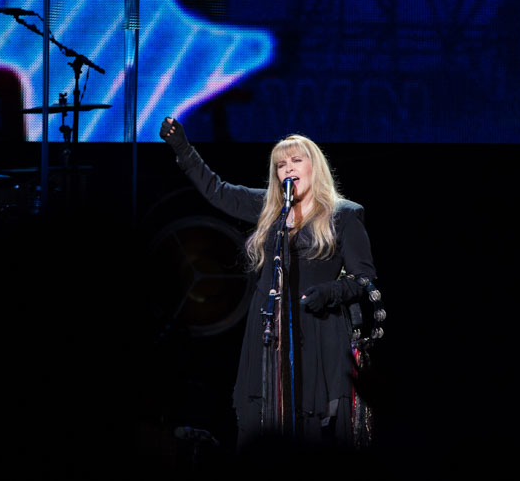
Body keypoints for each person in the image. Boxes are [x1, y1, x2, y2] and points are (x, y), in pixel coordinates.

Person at [159, 116, 378, 450]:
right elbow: (217, 191)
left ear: (314, 167)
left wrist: (328, 292)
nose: (287, 169)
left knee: (309, 427)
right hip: (269, 332)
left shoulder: (343, 215)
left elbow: (365, 280)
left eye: (296, 161)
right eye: (280, 165)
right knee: (263, 418)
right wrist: (182, 148)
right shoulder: (269, 208)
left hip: (317, 330)